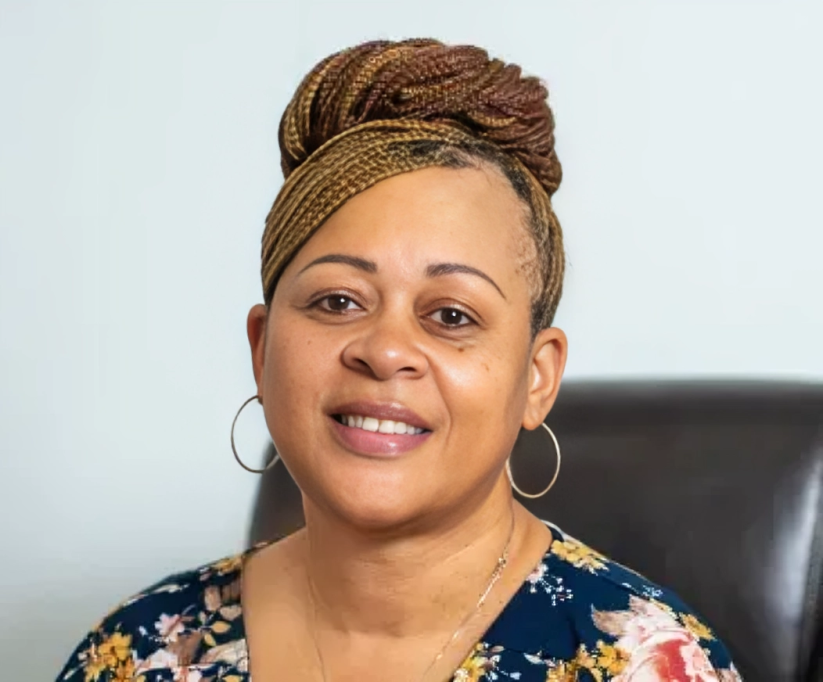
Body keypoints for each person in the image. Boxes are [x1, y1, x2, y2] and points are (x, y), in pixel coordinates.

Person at [57, 39, 742, 682]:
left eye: (451, 315)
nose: (385, 351)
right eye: (336, 301)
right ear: (262, 349)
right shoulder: (137, 653)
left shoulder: (641, 662)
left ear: (537, 377)